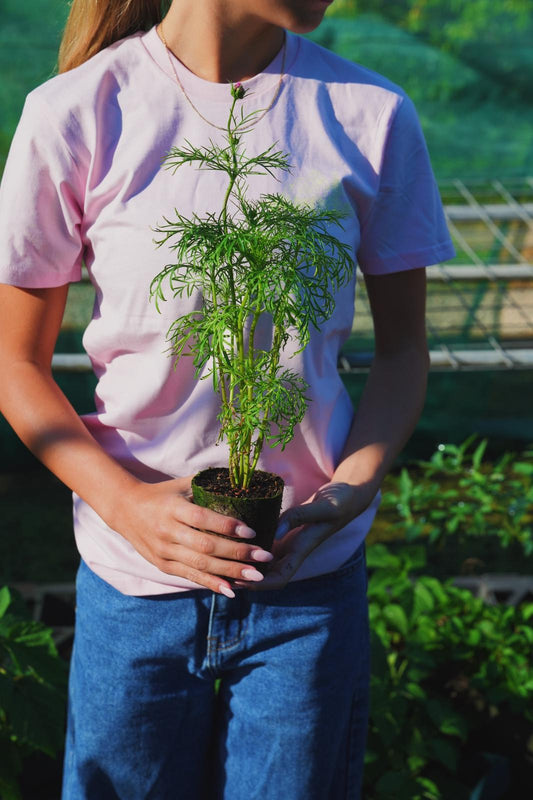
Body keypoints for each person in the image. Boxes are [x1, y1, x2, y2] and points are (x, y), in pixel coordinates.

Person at [0, 0, 455, 797]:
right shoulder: (76, 112)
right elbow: (13, 362)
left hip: (303, 584)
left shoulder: (370, 113)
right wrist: (128, 506)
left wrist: (352, 486)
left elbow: (401, 352)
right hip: (134, 584)